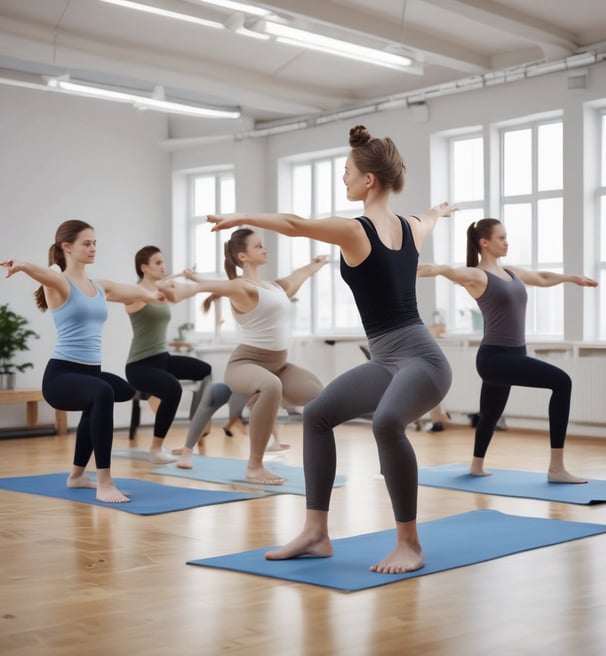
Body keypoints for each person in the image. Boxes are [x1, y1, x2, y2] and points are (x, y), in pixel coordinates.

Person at [208, 124, 455, 574]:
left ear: (369, 180)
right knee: (319, 414)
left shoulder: (355, 231)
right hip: (387, 360)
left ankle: (409, 543)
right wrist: (438, 209)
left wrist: (238, 216)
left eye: (346, 173)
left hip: (422, 358)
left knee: (386, 423)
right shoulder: (413, 225)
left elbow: (296, 225)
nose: (343, 180)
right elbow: (430, 216)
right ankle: (316, 532)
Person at [417, 217, 598, 483]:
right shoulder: (478, 276)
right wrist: (400, 267)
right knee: (562, 382)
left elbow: (541, 277)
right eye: (501, 238)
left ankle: (476, 466)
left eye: (506, 237)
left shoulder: (511, 272)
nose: (506, 242)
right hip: (495, 358)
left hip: (513, 355)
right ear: (484, 242)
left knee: (490, 413)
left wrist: (570, 278)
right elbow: (441, 269)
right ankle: (556, 468)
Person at [0, 219, 169, 503]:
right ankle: (104, 481)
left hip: (90, 374)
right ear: (67, 247)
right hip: (61, 377)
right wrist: (23, 264)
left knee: (122, 390)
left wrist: (152, 295)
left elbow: (130, 290)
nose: (93, 248)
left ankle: (77, 475)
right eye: (86, 243)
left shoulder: (98, 286)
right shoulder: (58, 282)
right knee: (101, 392)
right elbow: (45, 274)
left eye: (94, 243)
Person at [175, 233, 327, 476]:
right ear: (243, 256)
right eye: (258, 246)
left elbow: (298, 276)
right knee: (271, 385)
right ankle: (254, 466)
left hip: (279, 365)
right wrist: (190, 286)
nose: (265, 249)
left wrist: (315, 264)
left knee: (320, 395)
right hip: (245, 364)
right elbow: (216, 286)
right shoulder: (243, 287)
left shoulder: (275, 288)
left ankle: (259, 405)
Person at [124, 246, 231, 464]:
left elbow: (181, 293)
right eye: (157, 263)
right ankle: (156, 449)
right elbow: (146, 297)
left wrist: (193, 280)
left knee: (204, 370)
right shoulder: (134, 294)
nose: (163, 266)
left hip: (162, 359)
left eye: (163, 262)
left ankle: (198, 424)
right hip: (139, 365)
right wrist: (161, 286)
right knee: (173, 388)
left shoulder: (161, 291)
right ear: (144, 267)